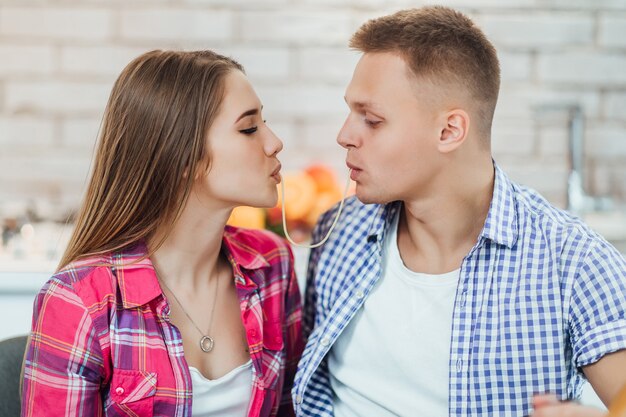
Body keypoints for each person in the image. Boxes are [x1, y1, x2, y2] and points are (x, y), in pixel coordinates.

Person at [293, 6, 626, 417]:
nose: (345, 136)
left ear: (449, 131)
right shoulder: (337, 231)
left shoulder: (574, 261)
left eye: (373, 120)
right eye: (351, 112)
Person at [21, 50, 303, 417]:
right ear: (184, 157)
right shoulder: (79, 302)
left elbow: (292, 408)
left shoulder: (273, 265)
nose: (274, 142)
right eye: (249, 128)